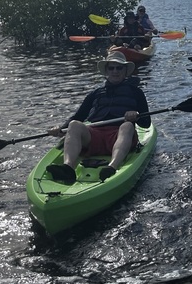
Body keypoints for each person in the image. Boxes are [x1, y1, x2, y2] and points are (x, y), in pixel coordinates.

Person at [46, 51, 151, 184]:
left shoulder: (136, 92)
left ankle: (111, 167)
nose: (115, 71)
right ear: (106, 71)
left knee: (127, 125)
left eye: (119, 68)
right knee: (74, 124)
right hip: (95, 135)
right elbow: (79, 116)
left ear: (125, 71)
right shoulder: (95, 94)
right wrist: (60, 129)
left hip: (119, 135)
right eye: (111, 68)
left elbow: (146, 123)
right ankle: (68, 167)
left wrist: (136, 117)